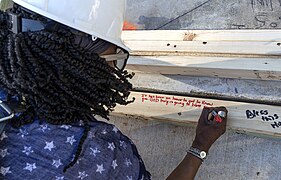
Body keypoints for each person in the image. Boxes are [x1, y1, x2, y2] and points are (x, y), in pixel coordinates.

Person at [0, 1, 228, 179]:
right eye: (112, 60)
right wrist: (200, 146)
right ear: (77, 62)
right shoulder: (89, 154)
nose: (112, 71)